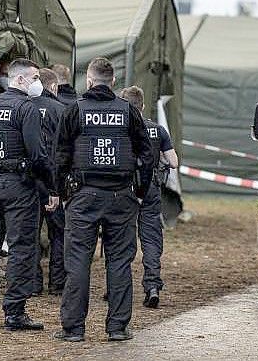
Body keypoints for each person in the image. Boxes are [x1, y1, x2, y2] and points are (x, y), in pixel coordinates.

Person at [53, 57, 155, 342]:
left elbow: (59, 156)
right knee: (120, 263)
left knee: (77, 263)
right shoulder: (128, 111)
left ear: (88, 80)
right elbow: (147, 155)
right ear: (113, 82)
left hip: (83, 196)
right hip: (121, 197)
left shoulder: (75, 110)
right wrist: (141, 191)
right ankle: (118, 327)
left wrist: (62, 193)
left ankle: (73, 329)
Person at [0, 58, 59, 331]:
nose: (38, 84)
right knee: (22, 247)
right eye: (34, 78)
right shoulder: (26, 108)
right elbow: (38, 155)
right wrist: (52, 189)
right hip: (20, 184)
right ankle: (15, 312)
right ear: (19, 79)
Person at [119, 86, 178, 309]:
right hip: (151, 188)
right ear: (142, 106)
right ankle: (152, 285)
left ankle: (115, 287)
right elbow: (174, 162)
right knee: (151, 238)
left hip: (125, 188)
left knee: (120, 238)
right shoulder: (158, 130)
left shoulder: (120, 128)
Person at [31, 68, 67, 296]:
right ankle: (57, 283)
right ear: (53, 87)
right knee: (59, 234)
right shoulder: (61, 110)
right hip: (54, 182)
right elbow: (65, 151)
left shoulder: (24, 106)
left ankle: (33, 283)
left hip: (29, 181)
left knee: (29, 232)